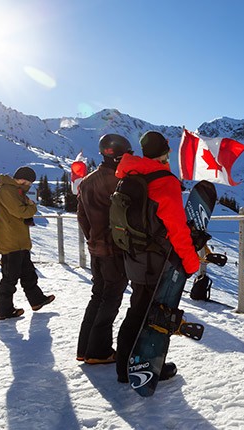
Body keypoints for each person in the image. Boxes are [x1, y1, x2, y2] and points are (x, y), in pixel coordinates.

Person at [115, 130, 200, 383]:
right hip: (154, 261)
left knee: (137, 311)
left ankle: (125, 366)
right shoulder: (163, 180)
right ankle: (143, 367)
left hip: (134, 255)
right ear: (167, 152)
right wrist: (191, 262)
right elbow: (176, 228)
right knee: (149, 317)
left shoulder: (131, 173)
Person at [76, 134, 132, 364]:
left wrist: (93, 239)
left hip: (97, 249)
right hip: (114, 251)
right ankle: (99, 351)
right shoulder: (119, 181)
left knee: (98, 296)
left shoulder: (88, 181)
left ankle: (85, 348)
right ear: (120, 155)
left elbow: (82, 217)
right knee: (110, 299)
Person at [0, 166, 55, 320]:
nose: (28, 185)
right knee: (9, 278)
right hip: (10, 242)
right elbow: (21, 211)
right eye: (28, 182)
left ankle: (37, 300)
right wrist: (32, 206)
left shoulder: (15, 190)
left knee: (28, 273)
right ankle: (3, 311)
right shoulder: (7, 190)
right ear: (22, 179)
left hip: (19, 241)